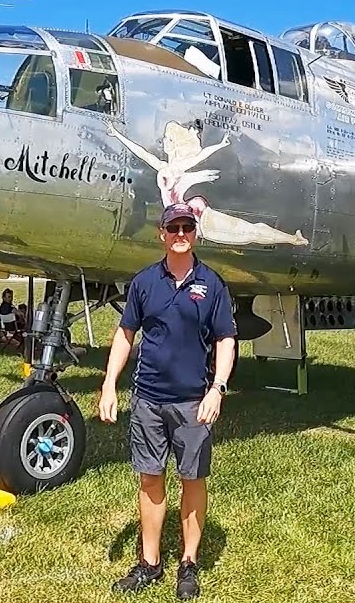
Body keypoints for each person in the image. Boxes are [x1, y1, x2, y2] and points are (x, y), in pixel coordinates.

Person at [99, 202, 237, 600]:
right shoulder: (144, 283)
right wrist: (110, 384)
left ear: (195, 233)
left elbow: (225, 339)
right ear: (161, 233)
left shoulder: (212, 284)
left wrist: (218, 388)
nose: (180, 234)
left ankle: (189, 564)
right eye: (173, 227)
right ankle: (150, 563)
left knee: (193, 479)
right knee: (150, 478)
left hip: (194, 401)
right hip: (147, 400)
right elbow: (125, 334)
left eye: (187, 227)